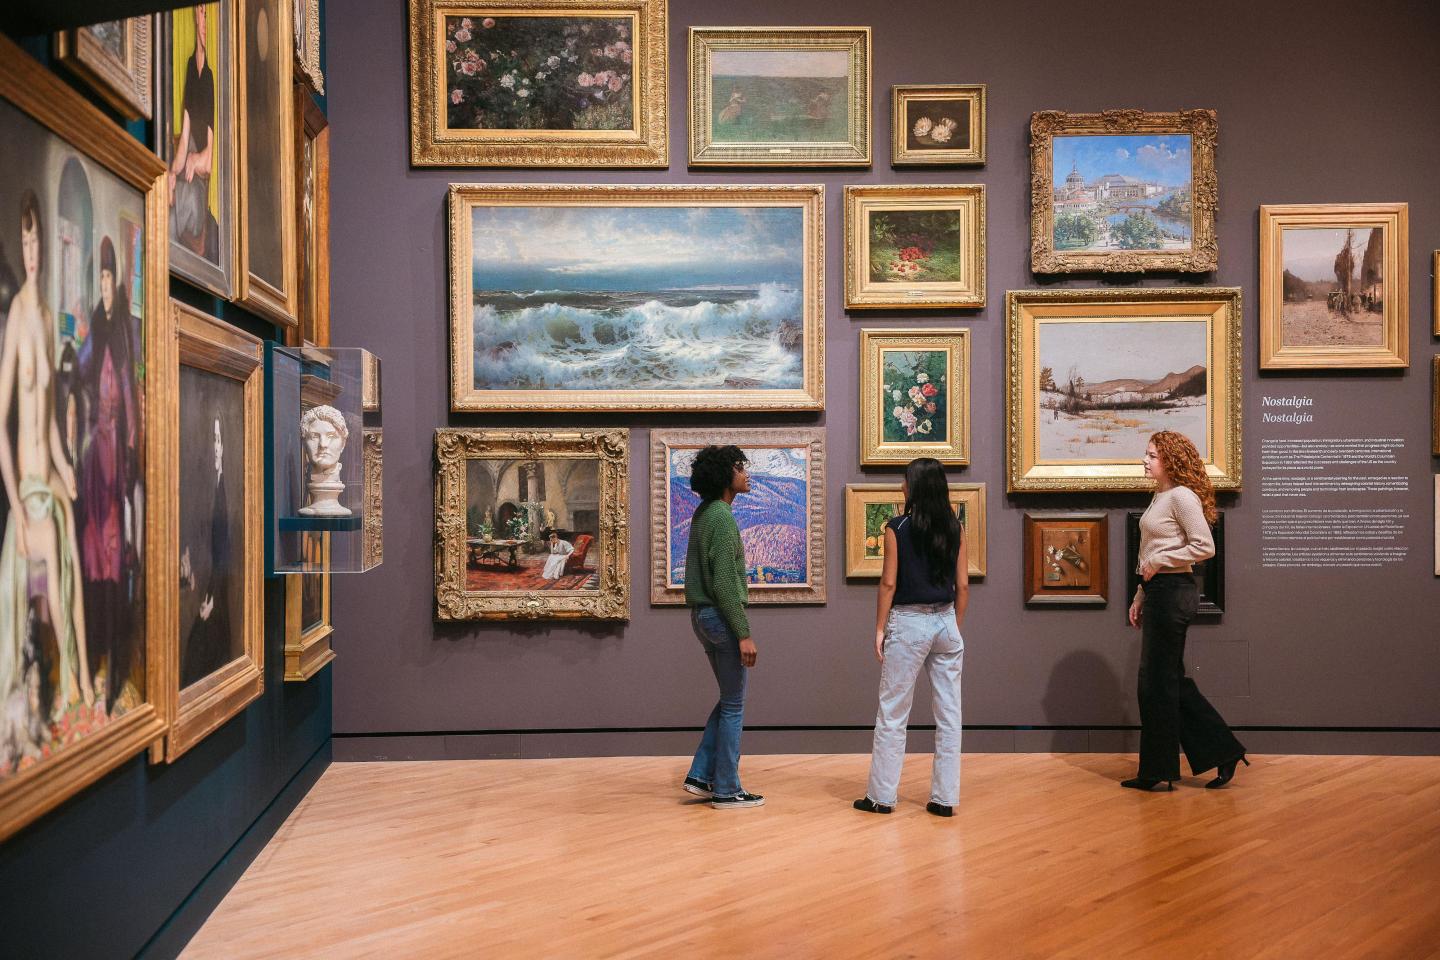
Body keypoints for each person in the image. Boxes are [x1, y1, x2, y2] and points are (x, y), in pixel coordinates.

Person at [0, 190, 92, 717]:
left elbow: (53, 420)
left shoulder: (47, 308)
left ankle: (78, 677)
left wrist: (64, 466)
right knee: (57, 568)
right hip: (26, 493)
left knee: (73, 567)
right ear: (21, 242)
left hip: (47, 479)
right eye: (26, 240)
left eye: (37, 240)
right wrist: (15, 504)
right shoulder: (17, 315)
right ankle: (74, 682)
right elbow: (3, 420)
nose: (32, 250)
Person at [1125, 430, 1247, 791]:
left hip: (1175, 593)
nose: (1145, 461)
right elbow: (1150, 553)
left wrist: (1162, 560)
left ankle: (1158, 771)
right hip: (1159, 591)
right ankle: (1218, 752)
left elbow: (1204, 546)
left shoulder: (1181, 496)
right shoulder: (1160, 495)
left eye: (1151, 456)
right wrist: (1139, 594)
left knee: (1155, 684)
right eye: (1146, 455)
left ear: (1171, 461)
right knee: (1167, 683)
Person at [855, 457, 968, 817]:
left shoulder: (897, 528)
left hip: (909, 622)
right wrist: (954, 624)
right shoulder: (955, 527)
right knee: (949, 714)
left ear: (914, 486)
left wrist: (878, 628)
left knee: (893, 712)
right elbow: (963, 585)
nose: (902, 486)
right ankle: (944, 799)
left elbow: (888, 583)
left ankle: (881, 797)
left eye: (905, 481)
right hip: (946, 621)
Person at [681, 445, 762, 809]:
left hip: (701, 617)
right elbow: (727, 584)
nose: (745, 473)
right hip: (719, 616)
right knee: (734, 704)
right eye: (739, 468)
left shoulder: (704, 513)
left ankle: (701, 775)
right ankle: (727, 790)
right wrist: (744, 633)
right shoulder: (723, 518)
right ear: (725, 476)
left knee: (729, 699)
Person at [79, 236, 140, 710]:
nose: (103, 285)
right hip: (91, 456)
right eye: (97, 278)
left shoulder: (123, 327)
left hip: (115, 452)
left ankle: (116, 644)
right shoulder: (96, 326)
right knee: (92, 548)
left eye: (107, 277)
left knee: (116, 549)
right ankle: (95, 645)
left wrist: (132, 451)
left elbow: (130, 391)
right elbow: (81, 368)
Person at [170, 4, 216, 258]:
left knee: (184, 197)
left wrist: (194, 159)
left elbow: (209, 160)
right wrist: (169, 173)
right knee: (171, 191)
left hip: (199, 183)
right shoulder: (191, 66)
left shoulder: (210, 78)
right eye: (200, 14)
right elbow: (185, 135)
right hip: (189, 170)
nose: (203, 22)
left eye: (207, 16)